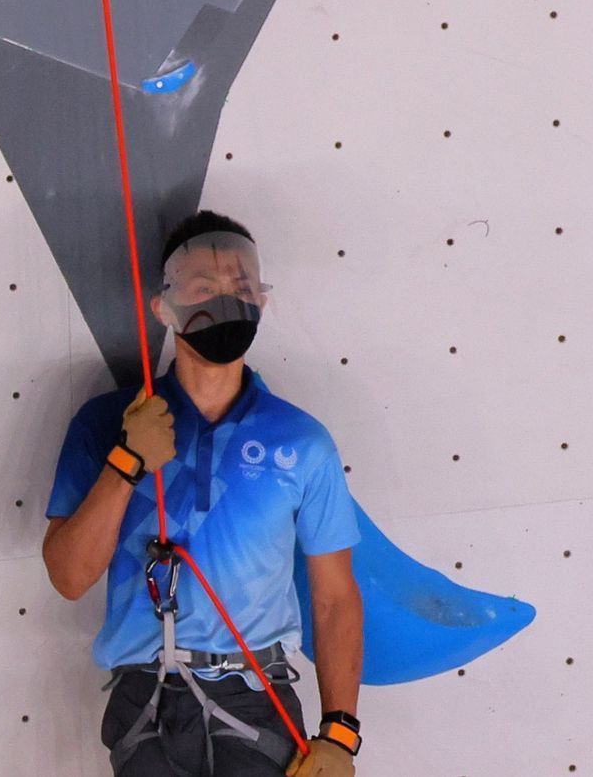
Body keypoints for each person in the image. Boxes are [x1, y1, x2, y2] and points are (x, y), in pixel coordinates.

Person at [43, 211, 365, 774]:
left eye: (241, 288)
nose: (224, 302)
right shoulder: (104, 424)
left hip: (259, 702)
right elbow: (69, 578)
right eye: (202, 288)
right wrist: (126, 460)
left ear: (262, 302)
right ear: (163, 307)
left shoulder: (302, 442)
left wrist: (339, 733)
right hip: (146, 704)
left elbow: (335, 597)